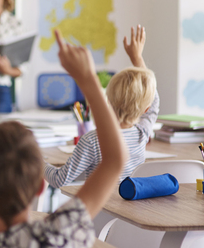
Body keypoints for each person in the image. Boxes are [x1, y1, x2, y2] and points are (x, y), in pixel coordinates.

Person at [0, 30, 128, 248]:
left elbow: (113, 161)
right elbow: (115, 160)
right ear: (41, 186)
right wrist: (87, 79)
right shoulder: (62, 233)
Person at [45, 25, 159, 188]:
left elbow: (59, 180)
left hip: (99, 210)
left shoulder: (92, 140)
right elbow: (154, 102)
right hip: (129, 210)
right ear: (145, 109)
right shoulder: (142, 134)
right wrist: (137, 58)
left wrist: (37, 160)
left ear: (108, 100)